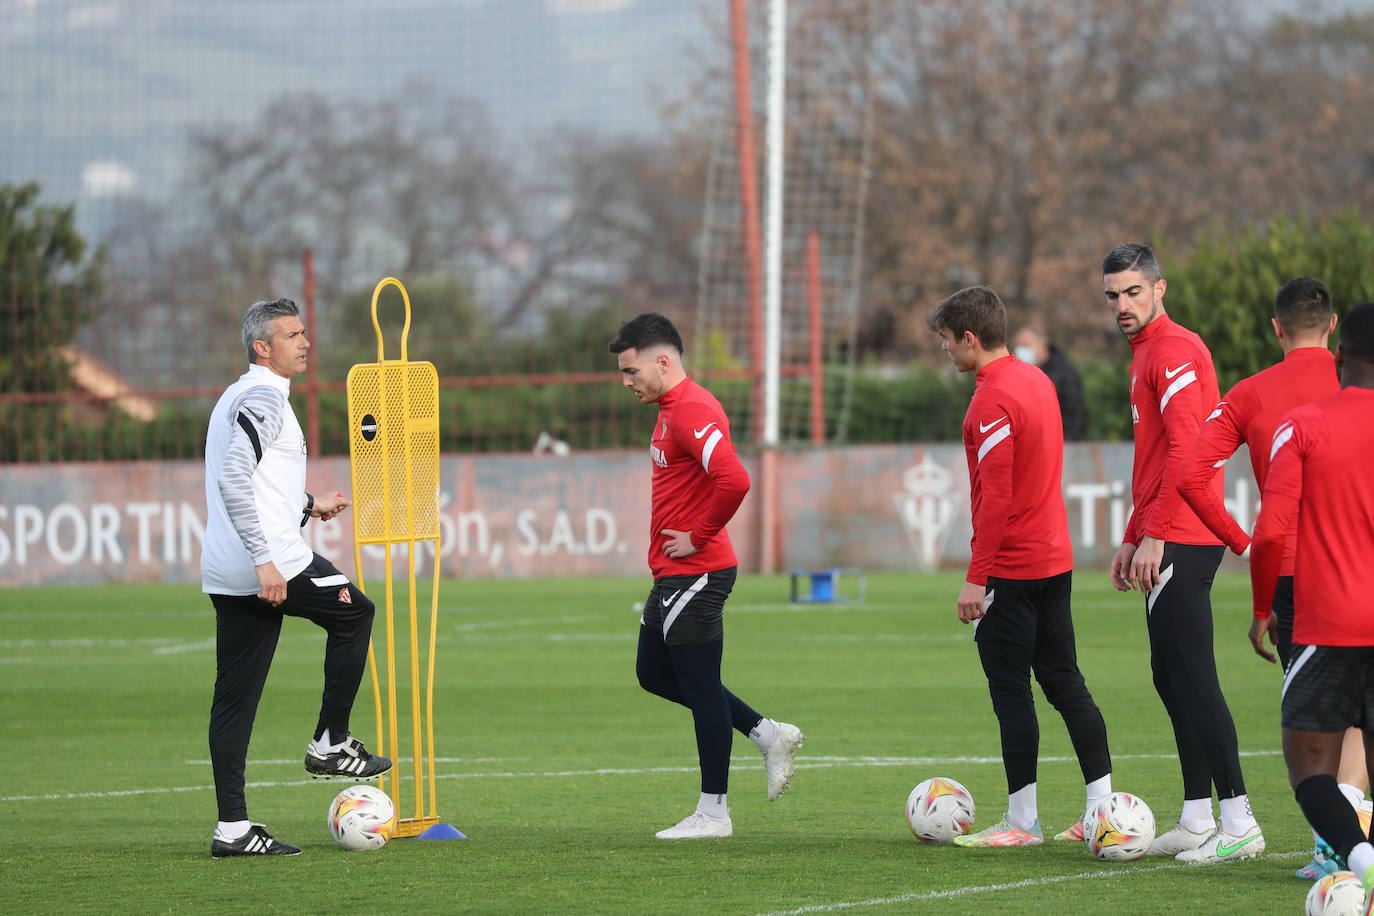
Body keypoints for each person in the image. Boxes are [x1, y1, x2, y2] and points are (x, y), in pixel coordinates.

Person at [1176, 277, 1368, 879]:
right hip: (1356, 576)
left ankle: (1336, 847)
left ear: (1277, 327)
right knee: (1360, 716)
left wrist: (1239, 542)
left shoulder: (1252, 395)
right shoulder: (1343, 387)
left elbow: (1190, 476)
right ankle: (1344, 836)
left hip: (1299, 582)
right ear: (1331, 328)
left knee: (1318, 725)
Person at [202, 297, 391, 858]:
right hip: (271, 562)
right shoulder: (263, 397)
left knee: (234, 699)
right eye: (291, 335)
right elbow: (236, 477)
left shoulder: (237, 395)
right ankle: (331, 742)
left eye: (304, 331)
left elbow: (257, 482)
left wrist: (308, 503)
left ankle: (232, 830)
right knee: (355, 611)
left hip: (228, 568)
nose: (305, 342)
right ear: (263, 347)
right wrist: (265, 558)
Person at [925, 287, 1112, 848]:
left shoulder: (991, 402)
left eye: (946, 341)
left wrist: (976, 576)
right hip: (1055, 560)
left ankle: (1022, 820)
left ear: (971, 339)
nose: (945, 352)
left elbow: (998, 498)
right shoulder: (1039, 381)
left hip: (1012, 568)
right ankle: (1101, 811)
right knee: (1065, 681)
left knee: (1011, 691)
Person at [609, 312, 804, 840]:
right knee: (654, 673)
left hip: (697, 570)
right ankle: (767, 734)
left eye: (631, 371)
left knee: (698, 684)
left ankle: (714, 813)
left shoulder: (692, 408)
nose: (626, 382)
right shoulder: (670, 407)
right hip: (674, 573)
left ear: (663, 362)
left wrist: (696, 535)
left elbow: (734, 478)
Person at [1102, 243, 1264, 864]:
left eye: (1133, 292)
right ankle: (1198, 816)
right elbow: (1153, 460)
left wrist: (1157, 532)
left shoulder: (1174, 351)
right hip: (1167, 529)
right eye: (1114, 295)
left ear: (1159, 289)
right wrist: (1131, 532)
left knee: (1195, 678)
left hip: (1188, 537)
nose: (1122, 305)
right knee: (1170, 678)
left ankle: (1240, 818)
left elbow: (1190, 451)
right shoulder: (1148, 353)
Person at [1249, 302, 1374, 907]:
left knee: (1312, 771)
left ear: (1341, 356)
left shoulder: (1301, 426)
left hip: (1330, 628)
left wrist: (1260, 607)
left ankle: (1357, 854)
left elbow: (1271, 532)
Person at [1013, 324, 1087, 440]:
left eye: (1026, 345)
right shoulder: (1019, 375)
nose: (1020, 350)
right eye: (1019, 345)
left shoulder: (1065, 374)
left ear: (1042, 345)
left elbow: (1074, 419)